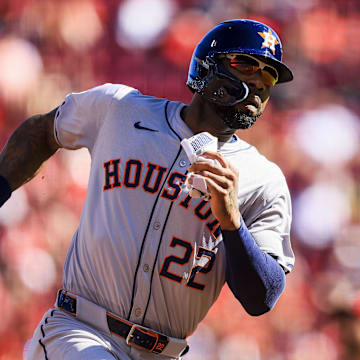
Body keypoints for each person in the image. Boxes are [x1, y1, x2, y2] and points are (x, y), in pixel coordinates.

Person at [0, 19, 295, 359]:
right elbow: (43, 131)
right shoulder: (121, 110)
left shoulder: (263, 180)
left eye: (269, 75)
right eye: (247, 64)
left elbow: (262, 298)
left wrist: (232, 222)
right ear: (208, 66)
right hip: (80, 330)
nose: (259, 81)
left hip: (164, 353)